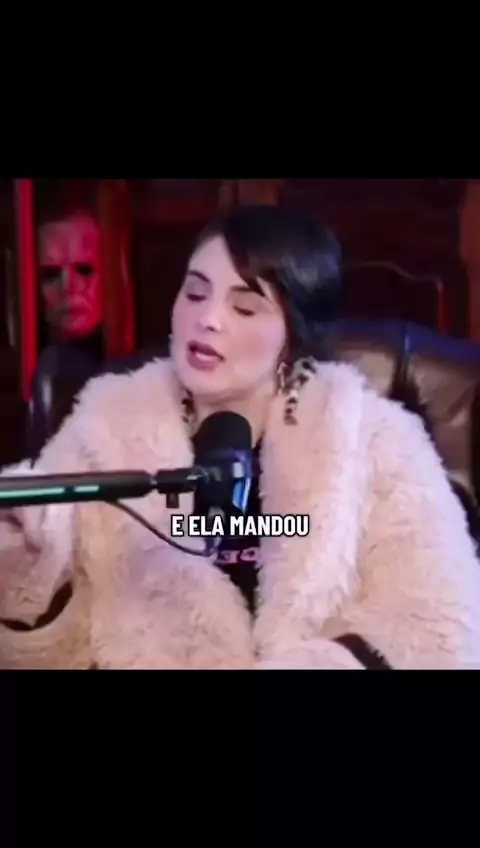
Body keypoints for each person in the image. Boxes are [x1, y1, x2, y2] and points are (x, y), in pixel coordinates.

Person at [1, 204, 480, 669]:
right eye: (195, 294)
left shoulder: (372, 438)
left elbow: (441, 626)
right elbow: (47, 655)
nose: (208, 318)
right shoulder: (104, 430)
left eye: (245, 308)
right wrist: (26, 566)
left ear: (293, 336)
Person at [27, 211, 106, 460]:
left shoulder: (147, 370)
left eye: (84, 270)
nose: (67, 286)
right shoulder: (45, 367)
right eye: (51, 274)